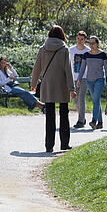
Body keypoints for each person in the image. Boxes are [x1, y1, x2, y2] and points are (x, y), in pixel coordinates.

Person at [30, 25, 77, 153]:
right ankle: (64, 144)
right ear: (62, 35)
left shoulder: (42, 49)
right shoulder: (64, 49)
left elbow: (37, 68)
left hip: (47, 85)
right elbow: (68, 70)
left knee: (49, 115)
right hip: (61, 85)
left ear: (49, 34)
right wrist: (71, 88)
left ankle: (49, 146)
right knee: (64, 114)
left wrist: (33, 84)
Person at [76, 35, 107, 130]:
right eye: (90, 43)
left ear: (97, 44)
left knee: (95, 99)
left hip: (99, 80)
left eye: (93, 43)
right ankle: (100, 122)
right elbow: (82, 68)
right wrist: (79, 79)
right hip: (89, 81)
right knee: (96, 101)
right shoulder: (86, 55)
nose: (91, 45)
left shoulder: (103, 54)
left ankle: (93, 120)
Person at [69, 31, 90, 128]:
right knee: (75, 100)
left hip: (84, 78)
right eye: (78, 39)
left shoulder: (88, 51)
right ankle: (82, 117)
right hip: (73, 77)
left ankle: (80, 121)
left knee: (81, 99)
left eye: (82, 39)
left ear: (85, 40)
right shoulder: (71, 50)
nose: (79, 41)